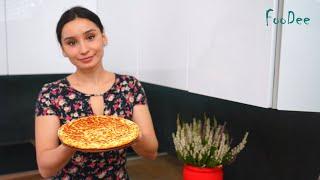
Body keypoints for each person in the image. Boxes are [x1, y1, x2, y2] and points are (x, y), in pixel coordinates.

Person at [34, 6, 158, 179]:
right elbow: (46, 170)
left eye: (90, 37)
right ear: (63, 49)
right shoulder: (51, 93)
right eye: (71, 42)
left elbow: (151, 152)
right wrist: (72, 141)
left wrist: (130, 134)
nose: (84, 49)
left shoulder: (130, 86)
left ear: (104, 38)